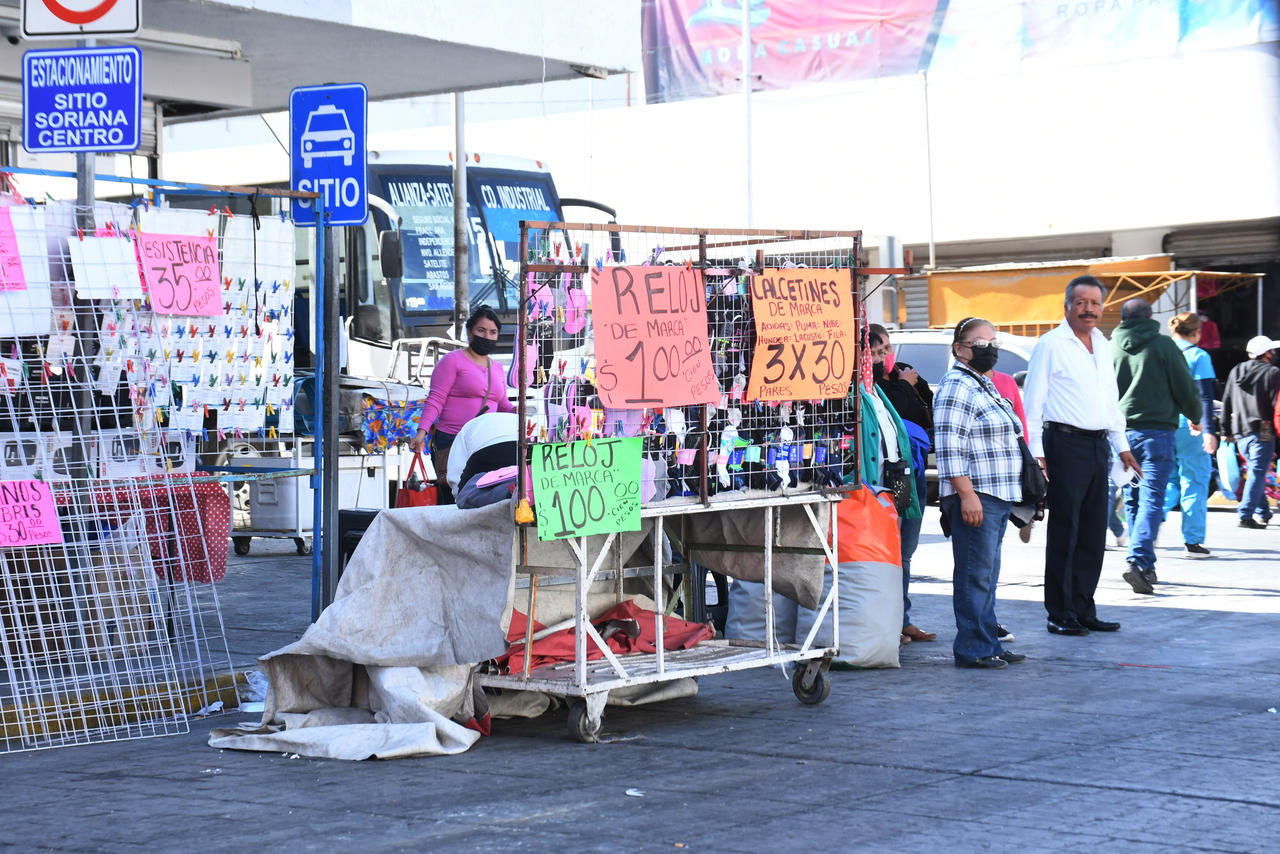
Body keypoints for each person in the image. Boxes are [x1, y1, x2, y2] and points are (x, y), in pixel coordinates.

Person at [1023, 276, 1140, 636]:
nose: (1089, 309)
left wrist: (1121, 445)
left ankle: (1084, 608)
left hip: (1097, 445)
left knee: (1092, 530)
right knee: (1065, 531)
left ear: (1103, 308)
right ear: (1067, 307)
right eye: (1081, 302)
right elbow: (1032, 406)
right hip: (1063, 444)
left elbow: (1110, 401)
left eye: (1095, 303)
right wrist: (1038, 456)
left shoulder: (1103, 344)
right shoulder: (1051, 345)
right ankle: (1059, 612)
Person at [933, 317, 1026, 669]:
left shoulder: (982, 383)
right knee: (974, 573)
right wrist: (966, 495)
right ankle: (973, 648)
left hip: (997, 495)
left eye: (993, 341)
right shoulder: (957, 384)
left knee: (986, 574)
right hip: (977, 494)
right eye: (979, 342)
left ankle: (989, 642)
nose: (989, 348)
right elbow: (948, 445)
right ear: (959, 349)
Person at [1111, 299, 1201, 595]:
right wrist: (1195, 416)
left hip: (1121, 435)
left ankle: (1145, 564)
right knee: (1151, 499)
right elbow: (1184, 385)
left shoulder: (1109, 346)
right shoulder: (1163, 345)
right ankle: (1137, 560)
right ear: (1151, 317)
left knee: (1134, 498)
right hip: (1156, 433)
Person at [408, 306, 516, 504]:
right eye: (481, 330)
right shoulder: (452, 361)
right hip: (452, 440)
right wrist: (421, 432)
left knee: (480, 496)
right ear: (469, 332)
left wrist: (519, 412)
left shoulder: (497, 368)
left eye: (493, 332)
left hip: (484, 442)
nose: (487, 336)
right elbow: (436, 399)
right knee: (452, 498)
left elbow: (502, 405)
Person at [868, 328, 933, 645]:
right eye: (878, 352)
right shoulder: (872, 386)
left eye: (888, 349)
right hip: (884, 477)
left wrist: (911, 383)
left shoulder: (898, 378)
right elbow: (904, 410)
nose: (885, 357)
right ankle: (888, 621)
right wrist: (906, 386)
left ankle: (902, 619)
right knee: (885, 551)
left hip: (910, 473)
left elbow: (925, 406)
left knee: (905, 551)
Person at [1164, 312, 1219, 558]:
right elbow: (1204, 396)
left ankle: (1146, 527)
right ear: (1197, 333)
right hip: (1191, 427)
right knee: (1195, 480)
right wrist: (1209, 431)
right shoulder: (1198, 356)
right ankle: (1193, 542)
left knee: (1168, 480)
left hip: (1161, 426)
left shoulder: (1161, 352)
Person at [1221, 335, 1280, 529]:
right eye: (1272, 350)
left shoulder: (1236, 370)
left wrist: (1225, 430)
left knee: (1256, 471)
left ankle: (1263, 511)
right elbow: (1276, 405)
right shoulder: (1273, 373)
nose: (1274, 353)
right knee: (1257, 471)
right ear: (1266, 353)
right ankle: (1245, 514)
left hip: (1240, 432)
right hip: (1263, 431)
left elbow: (1227, 401)